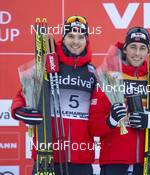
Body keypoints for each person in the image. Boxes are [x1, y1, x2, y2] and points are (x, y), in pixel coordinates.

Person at [11, 15, 96, 175]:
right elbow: (23, 95)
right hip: (48, 155)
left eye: (80, 37)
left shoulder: (92, 73)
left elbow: (99, 110)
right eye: (70, 36)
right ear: (63, 38)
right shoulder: (46, 66)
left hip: (81, 159)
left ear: (86, 40)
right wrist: (20, 111)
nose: (75, 42)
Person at [88, 26, 150, 175]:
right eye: (133, 47)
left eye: (142, 48)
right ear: (125, 49)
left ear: (148, 51)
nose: (137, 53)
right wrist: (111, 121)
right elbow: (94, 127)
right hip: (114, 163)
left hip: (148, 160)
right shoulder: (109, 77)